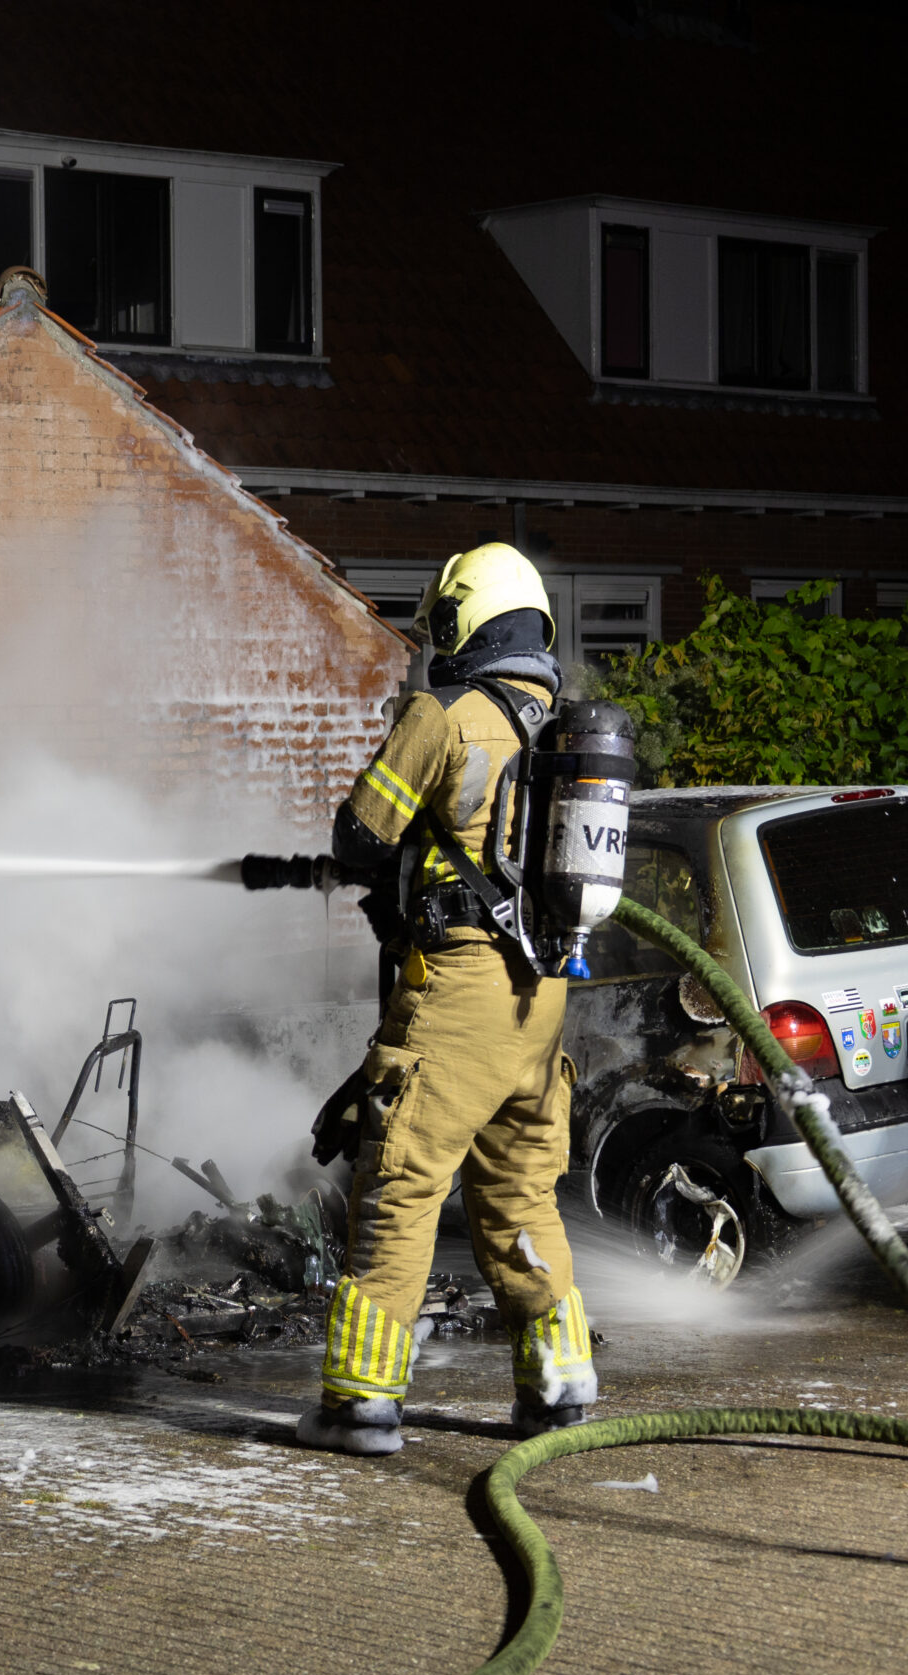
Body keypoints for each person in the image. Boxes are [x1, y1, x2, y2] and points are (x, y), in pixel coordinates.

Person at [298, 542, 597, 1456]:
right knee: (520, 1195)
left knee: (400, 1182)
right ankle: (559, 1386)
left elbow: (359, 832)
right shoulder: (563, 732)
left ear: (465, 622)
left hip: (460, 989)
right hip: (540, 1000)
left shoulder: (446, 715)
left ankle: (361, 1401)